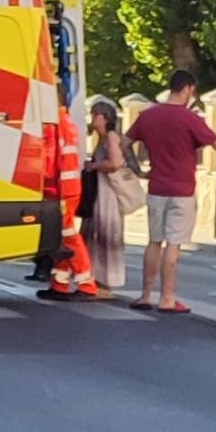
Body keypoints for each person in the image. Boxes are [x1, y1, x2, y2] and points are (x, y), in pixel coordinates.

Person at [125, 69, 216, 313]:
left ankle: (145, 295)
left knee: (154, 241)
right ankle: (167, 298)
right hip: (182, 189)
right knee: (173, 243)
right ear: (187, 89)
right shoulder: (190, 119)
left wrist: (138, 170)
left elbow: (124, 143)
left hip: (157, 187)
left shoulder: (148, 116)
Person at [38, 100, 100, 300]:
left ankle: (86, 284)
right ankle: (60, 283)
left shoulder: (57, 124)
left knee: (68, 236)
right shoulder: (64, 121)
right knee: (62, 236)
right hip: (67, 186)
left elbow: (49, 159)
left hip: (62, 188)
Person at [82, 97, 130, 293]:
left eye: (96, 115)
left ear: (105, 118)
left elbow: (115, 163)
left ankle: (106, 281)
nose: (93, 118)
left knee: (105, 232)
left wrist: (93, 166)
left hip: (107, 192)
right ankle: (97, 278)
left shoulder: (110, 137)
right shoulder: (102, 139)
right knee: (96, 233)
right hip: (101, 190)